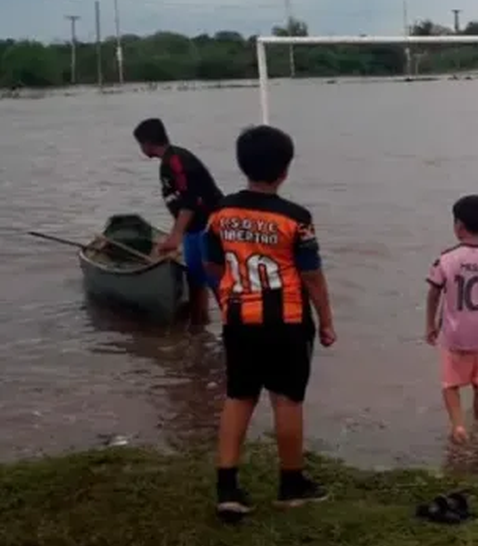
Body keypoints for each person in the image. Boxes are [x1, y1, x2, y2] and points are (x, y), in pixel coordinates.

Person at [202, 124, 337, 523]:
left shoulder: (220, 213)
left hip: (239, 320)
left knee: (238, 396)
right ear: (285, 170)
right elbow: (311, 275)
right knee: (287, 399)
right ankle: (291, 484)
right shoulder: (296, 218)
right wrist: (327, 321)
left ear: (242, 164)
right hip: (287, 323)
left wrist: (228, 297)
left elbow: (212, 265)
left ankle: (227, 488)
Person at [425, 194, 478, 444]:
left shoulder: (446, 259)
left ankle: (458, 426)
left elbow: (433, 294)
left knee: (450, 384)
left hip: (454, 334)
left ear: (459, 226)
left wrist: (430, 324)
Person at [132, 118, 223, 325]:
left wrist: (175, 237)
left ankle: (233, 330)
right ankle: (199, 329)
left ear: (147, 143)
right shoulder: (168, 162)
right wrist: (180, 233)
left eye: (140, 144)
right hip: (193, 230)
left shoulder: (176, 161)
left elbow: (190, 200)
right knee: (195, 281)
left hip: (208, 228)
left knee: (216, 281)